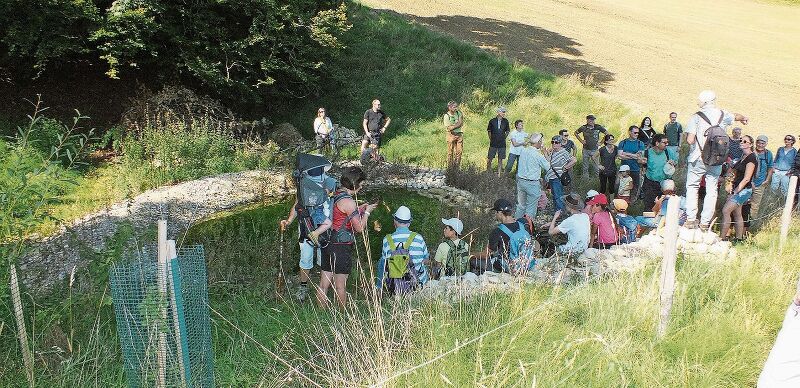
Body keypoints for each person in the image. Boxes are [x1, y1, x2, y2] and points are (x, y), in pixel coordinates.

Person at [685, 90, 749, 230]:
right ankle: (705, 222)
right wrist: (743, 118)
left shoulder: (696, 117)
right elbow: (736, 116)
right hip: (716, 159)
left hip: (698, 158)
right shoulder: (722, 114)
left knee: (692, 187)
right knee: (712, 189)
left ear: (704, 102)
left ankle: (691, 219)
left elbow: (690, 140)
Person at [317, 167, 377, 308]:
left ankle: (320, 311)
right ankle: (343, 314)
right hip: (340, 247)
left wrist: (360, 208)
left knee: (324, 283)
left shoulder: (336, 193)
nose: (361, 187)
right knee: (340, 285)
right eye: (361, 184)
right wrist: (367, 212)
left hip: (327, 241)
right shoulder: (349, 202)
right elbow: (359, 228)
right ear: (354, 184)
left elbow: (341, 214)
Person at [378, 206, 430, 293]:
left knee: (381, 261)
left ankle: (379, 289)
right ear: (409, 223)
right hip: (418, 287)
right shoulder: (418, 238)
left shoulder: (386, 240)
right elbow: (426, 260)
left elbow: (384, 263)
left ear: (395, 221)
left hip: (395, 287)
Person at [720, 135, 757, 241]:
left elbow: (746, 179)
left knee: (725, 211)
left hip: (743, 190)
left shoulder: (751, 158)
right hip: (738, 188)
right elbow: (733, 172)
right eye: (741, 140)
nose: (741, 142)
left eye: (745, 141)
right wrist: (729, 182)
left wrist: (735, 192)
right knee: (737, 213)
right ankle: (739, 238)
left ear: (750, 144)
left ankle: (722, 238)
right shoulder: (742, 157)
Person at [515, 133, 550, 218]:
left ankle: (516, 224)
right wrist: (545, 154)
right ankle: (528, 227)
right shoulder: (538, 155)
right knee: (531, 208)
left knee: (521, 206)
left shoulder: (523, 151)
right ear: (539, 142)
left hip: (521, 181)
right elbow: (548, 167)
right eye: (541, 141)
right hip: (532, 183)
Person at [641, 134, 678, 211]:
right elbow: (641, 165)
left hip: (665, 184)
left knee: (665, 205)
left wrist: (673, 163)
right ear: (657, 143)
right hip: (650, 183)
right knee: (649, 205)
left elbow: (675, 163)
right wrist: (640, 162)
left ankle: (662, 220)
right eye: (664, 142)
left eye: (667, 142)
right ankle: (648, 221)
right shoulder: (647, 153)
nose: (667, 144)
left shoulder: (669, 152)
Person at [486, 199, 522, 272]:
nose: (495, 215)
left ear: (499, 212)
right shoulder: (522, 224)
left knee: (474, 261)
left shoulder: (497, 231)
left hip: (510, 266)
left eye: (496, 212)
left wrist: (470, 254)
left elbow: (485, 255)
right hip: (525, 263)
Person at [544, 135, 577, 211]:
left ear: (560, 143)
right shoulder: (553, 151)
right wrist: (545, 153)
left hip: (557, 178)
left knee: (558, 196)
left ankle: (560, 212)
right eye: (552, 142)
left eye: (556, 142)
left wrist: (566, 167)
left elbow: (574, 160)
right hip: (551, 177)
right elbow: (549, 161)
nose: (554, 144)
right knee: (554, 195)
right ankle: (557, 211)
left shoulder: (563, 152)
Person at [617, 125, 647, 200]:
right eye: (635, 132)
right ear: (630, 132)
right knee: (621, 185)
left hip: (635, 168)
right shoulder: (623, 143)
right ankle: (621, 202)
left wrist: (626, 153)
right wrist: (633, 155)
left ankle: (632, 202)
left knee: (635, 186)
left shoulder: (640, 144)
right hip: (624, 169)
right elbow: (620, 156)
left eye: (638, 133)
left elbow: (640, 157)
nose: (637, 134)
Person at [748, 135, 773, 219]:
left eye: (763, 143)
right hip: (747, 182)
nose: (760, 145)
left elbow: (770, 167)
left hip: (760, 183)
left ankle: (751, 222)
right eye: (759, 143)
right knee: (744, 203)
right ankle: (742, 221)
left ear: (766, 144)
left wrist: (767, 180)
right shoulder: (750, 152)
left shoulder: (768, 154)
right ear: (756, 143)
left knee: (755, 205)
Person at [487, 106, 510, 175]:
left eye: (504, 112)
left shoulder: (506, 121)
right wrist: (492, 139)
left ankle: (499, 174)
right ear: (498, 112)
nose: (504, 113)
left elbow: (507, 131)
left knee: (500, 159)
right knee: (490, 158)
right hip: (493, 143)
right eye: (503, 112)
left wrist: (503, 138)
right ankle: (488, 172)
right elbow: (489, 131)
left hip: (502, 143)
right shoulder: (492, 121)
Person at [443, 101, 464, 169]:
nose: (456, 108)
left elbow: (461, 123)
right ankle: (450, 168)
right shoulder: (446, 116)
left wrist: (454, 126)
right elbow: (449, 128)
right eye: (454, 107)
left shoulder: (459, 113)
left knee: (459, 152)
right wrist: (457, 124)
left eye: (456, 106)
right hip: (451, 135)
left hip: (459, 135)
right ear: (449, 107)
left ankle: (456, 168)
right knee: (450, 153)